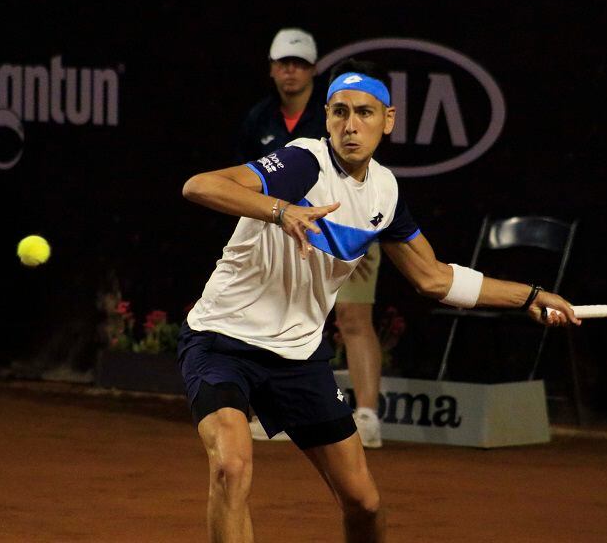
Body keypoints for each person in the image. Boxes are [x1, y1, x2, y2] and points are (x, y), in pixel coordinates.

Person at [179, 58, 581, 542]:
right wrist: (281, 211)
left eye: (365, 113)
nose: (351, 126)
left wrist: (528, 297)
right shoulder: (303, 162)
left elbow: (432, 278)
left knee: (364, 504)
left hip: (299, 359)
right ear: (326, 116)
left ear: (388, 119)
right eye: (340, 113)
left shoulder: (385, 193)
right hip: (223, 341)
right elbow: (199, 185)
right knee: (231, 467)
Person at [236, 28, 385, 447]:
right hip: (276, 236)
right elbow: (243, 183)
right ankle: (279, 415)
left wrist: (366, 234)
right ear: (271, 69)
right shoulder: (257, 120)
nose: (291, 72)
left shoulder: (339, 113)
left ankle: (368, 418)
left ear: (313, 70)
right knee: (272, 315)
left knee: (354, 319)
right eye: (284, 63)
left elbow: (364, 177)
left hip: (341, 233)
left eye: (299, 64)